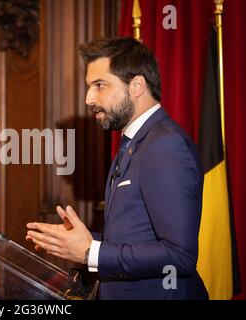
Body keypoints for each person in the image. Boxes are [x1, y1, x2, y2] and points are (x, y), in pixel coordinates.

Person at [26, 38, 209, 300]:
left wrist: (91, 252)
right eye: (89, 87)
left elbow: (179, 256)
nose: (89, 98)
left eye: (100, 85)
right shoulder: (136, 142)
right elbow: (138, 236)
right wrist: (78, 240)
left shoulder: (165, 145)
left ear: (136, 86)